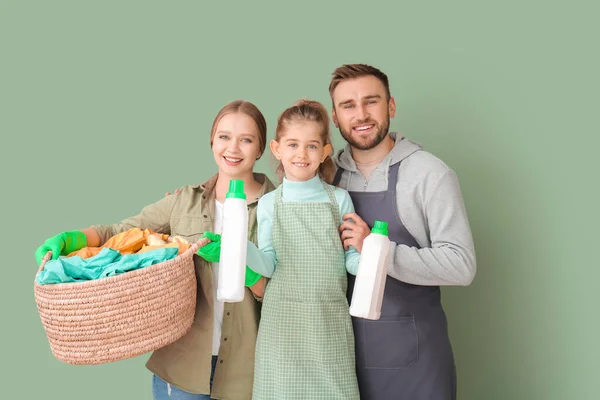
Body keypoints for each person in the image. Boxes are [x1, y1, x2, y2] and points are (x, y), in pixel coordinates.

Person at [34, 100, 276, 400]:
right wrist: (72, 239)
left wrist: (248, 274)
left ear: (261, 148)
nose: (233, 148)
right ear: (212, 141)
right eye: (224, 136)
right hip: (181, 368)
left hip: (250, 372)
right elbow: (122, 232)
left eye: (246, 139)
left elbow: (293, 291)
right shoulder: (183, 201)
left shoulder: (279, 208)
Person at [329, 64, 477, 400]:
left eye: (372, 101)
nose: (361, 114)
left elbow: (462, 265)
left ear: (391, 106)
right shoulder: (323, 176)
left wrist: (377, 249)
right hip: (338, 362)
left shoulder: (429, 173)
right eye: (348, 106)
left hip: (416, 366)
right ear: (335, 117)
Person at [245, 99, 361, 399]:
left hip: (329, 320)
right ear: (276, 149)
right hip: (281, 324)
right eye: (293, 144)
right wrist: (240, 248)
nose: (301, 154)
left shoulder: (340, 199)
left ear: (324, 152)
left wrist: (373, 256)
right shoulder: (270, 202)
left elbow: (351, 260)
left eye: (312, 146)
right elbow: (269, 264)